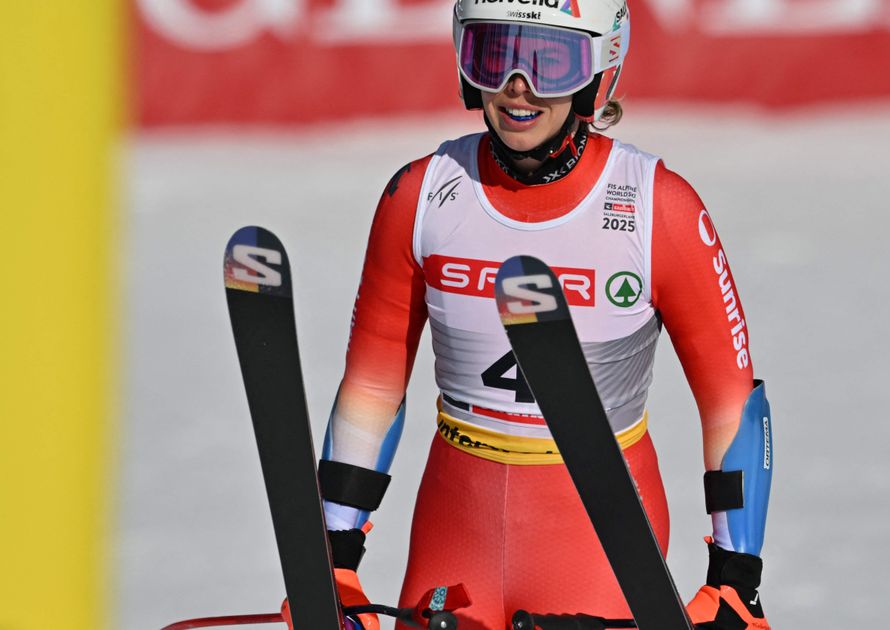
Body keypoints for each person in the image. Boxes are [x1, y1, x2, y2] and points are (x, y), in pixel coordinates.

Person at [303, 0, 775, 627]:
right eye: (493, 55)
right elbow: (372, 384)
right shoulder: (420, 195)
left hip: (596, 548)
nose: (516, 86)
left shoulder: (656, 206)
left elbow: (730, 401)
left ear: (599, 68)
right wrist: (334, 561)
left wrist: (736, 583)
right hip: (454, 530)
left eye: (550, 62)